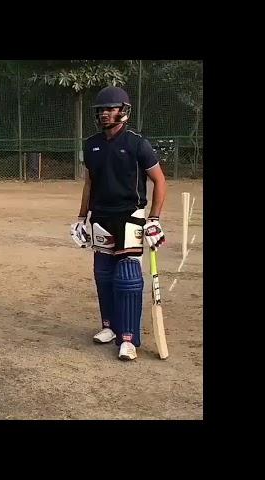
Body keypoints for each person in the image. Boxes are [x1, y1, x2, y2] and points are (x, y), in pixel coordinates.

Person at [72, 86, 167, 361]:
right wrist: (81, 217)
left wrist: (154, 219)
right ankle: (109, 327)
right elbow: (89, 183)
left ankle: (128, 338)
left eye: (110, 108)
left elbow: (160, 181)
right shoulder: (91, 144)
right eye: (101, 109)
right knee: (103, 273)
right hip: (100, 217)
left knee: (126, 276)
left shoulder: (138, 144)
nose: (104, 113)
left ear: (124, 111)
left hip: (130, 216)